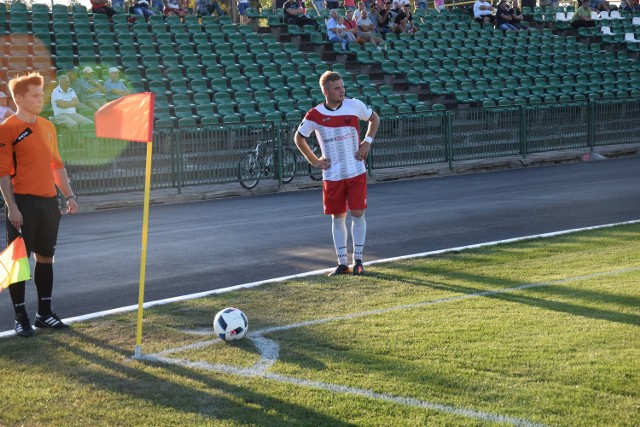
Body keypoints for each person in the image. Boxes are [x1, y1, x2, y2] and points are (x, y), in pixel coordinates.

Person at [0, 72, 78, 337]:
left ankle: (44, 314)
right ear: (19, 98)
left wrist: (69, 196)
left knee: (46, 258)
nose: (40, 98)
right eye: (35, 95)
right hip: (23, 202)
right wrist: (12, 207)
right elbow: (2, 172)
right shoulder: (8, 128)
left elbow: (57, 165)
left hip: (48, 203)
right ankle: (21, 318)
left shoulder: (48, 126)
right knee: (19, 262)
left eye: (41, 94)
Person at [294, 71, 380, 276]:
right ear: (326, 91)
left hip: (356, 171)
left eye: (342, 87)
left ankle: (358, 260)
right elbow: (299, 138)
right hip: (332, 175)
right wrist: (314, 160)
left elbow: (374, 119)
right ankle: (342, 263)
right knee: (337, 217)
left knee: (358, 214)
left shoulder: (354, 105)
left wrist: (367, 143)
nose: (342, 91)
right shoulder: (314, 114)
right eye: (337, 88)